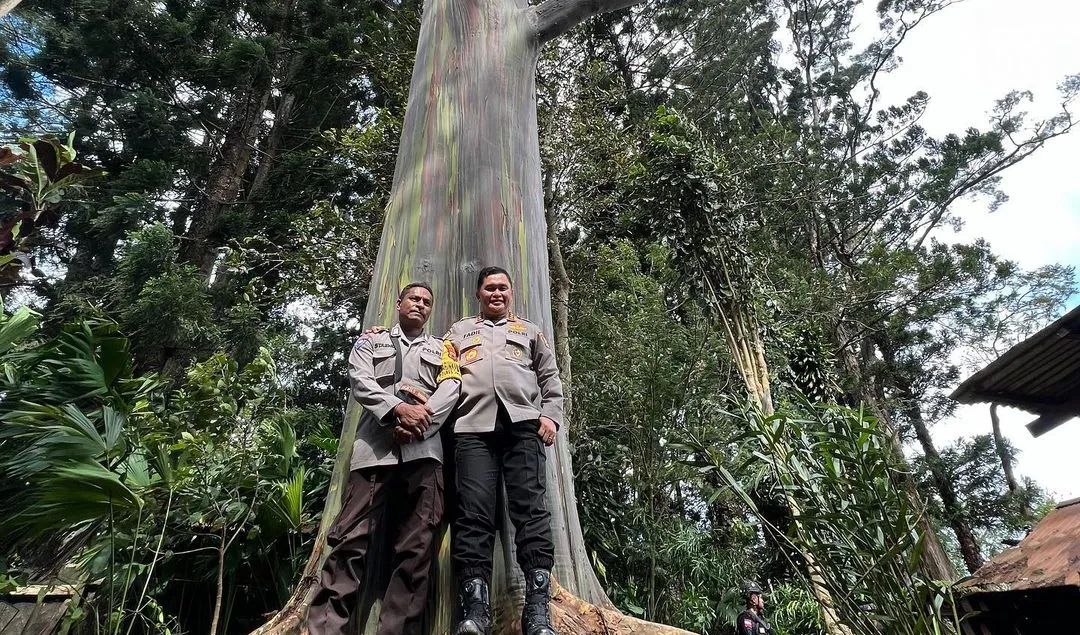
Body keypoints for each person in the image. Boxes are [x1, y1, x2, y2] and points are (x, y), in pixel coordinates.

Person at [308, 283, 461, 635]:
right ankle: (327, 628)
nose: (420, 305)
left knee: (417, 548)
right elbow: (360, 380)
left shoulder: (444, 349)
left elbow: (451, 389)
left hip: (425, 454)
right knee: (351, 541)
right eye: (413, 299)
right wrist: (397, 411)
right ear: (398, 303)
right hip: (373, 454)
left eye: (426, 302)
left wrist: (420, 421)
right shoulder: (369, 341)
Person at [443, 266, 563, 635]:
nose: (497, 293)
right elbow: (435, 359)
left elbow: (549, 376)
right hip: (472, 429)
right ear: (478, 294)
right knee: (473, 515)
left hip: (523, 426)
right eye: (490, 288)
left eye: (503, 288)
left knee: (531, 513)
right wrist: (382, 335)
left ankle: (537, 612)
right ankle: (475, 611)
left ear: (512, 293)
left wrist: (552, 416)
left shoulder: (528, 331)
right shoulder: (459, 332)